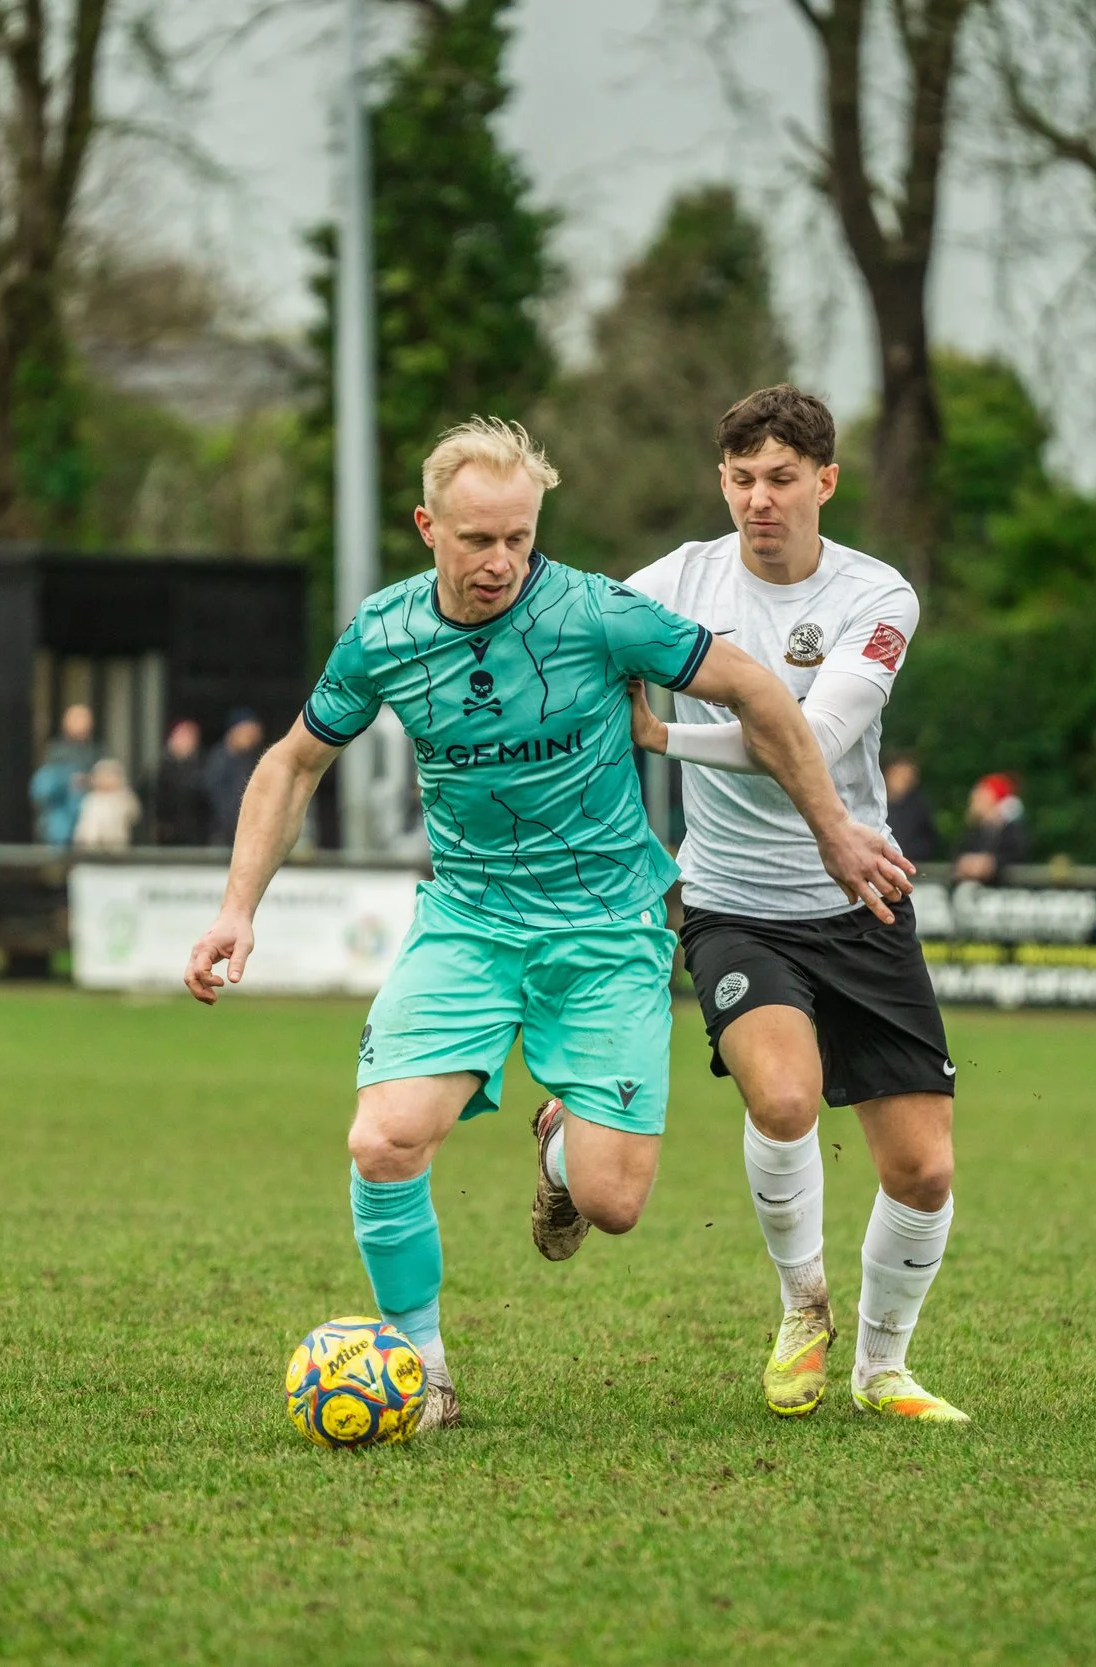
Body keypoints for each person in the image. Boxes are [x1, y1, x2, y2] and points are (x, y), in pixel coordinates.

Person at [183, 418, 908, 1438]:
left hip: (608, 931)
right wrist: (235, 906)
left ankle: (561, 1140)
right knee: (383, 1141)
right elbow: (293, 762)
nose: (502, 562)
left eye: (519, 537)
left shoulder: (599, 613)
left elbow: (751, 688)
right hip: (469, 925)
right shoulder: (384, 633)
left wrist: (833, 828)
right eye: (477, 538)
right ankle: (425, 1372)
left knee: (612, 1202)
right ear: (427, 525)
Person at [625, 382, 965, 1425]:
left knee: (922, 1167)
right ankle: (800, 1307)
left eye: (779, 479)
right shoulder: (676, 579)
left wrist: (665, 736)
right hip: (732, 904)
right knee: (781, 1099)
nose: (758, 500)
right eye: (739, 479)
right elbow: (565, 629)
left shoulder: (877, 597)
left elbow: (808, 740)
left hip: (857, 893)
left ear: (824, 479)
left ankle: (883, 1368)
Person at [30, 705, 96, 847]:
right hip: (62, 818)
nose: (82, 724)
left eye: (85, 719)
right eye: (76, 719)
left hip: (91, 817)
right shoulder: (55, 752)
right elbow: (44, 790)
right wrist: (69, 780)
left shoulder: (96, 751)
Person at [952, 772, 1028, 882]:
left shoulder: (1011, 831)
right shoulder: (973, 831)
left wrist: (991, 864)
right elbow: (957, 855)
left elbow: (1017, 856)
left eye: (981, 797)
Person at [205, 707, 265, 846]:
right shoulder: (219, 760)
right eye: (247, 733)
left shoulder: (252, 759)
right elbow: (215, 800)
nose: (251, 739)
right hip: (222, 835)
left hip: (247, 835)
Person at [153, 720, 214, 847]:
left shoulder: (203, 766)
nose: (185, 742)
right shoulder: (160, 769)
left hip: (195, 835)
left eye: (189, 738)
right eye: (182, 737)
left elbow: (206, 801)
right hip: (167, 837)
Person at [73, 758, 141, 851]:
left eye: (109, 776)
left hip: (116, 846)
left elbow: (133, 816)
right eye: (101, 776)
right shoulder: (91, 799)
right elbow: (84, 824)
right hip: (90, 847)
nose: (104, 779)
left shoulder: (124, 798)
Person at [883, 752, 938, 864]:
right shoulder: (876, 802)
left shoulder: (919, 808)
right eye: (900, 775)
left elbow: (927, 842)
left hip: (910, 865)